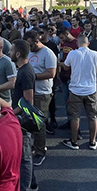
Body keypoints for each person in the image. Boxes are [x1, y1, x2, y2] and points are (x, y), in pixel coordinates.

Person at [61, 35, 97, 150]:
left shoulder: (72, 53)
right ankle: (92, 141)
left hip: (75, 89)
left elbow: (66, 67)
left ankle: (74, 141)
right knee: (93, 116)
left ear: (77, 44)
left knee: (75, 116)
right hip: (91, 89)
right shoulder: (95, 54)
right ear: (88, 43)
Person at [24, 30, 56, 167]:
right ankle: (35, 145)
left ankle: (40, 151)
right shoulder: (29, 51)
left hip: (42, 92)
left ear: (37, 41)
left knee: (39, 122)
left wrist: (32, 76)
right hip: (29, 91)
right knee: (28, 120)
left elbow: (51, 73)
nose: (30, 48)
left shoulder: (48, 53)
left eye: (31, 45)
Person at [10, 39, 36, 191]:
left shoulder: (25, 72)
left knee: (24, 157)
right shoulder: (23, 70)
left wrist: (11, 113)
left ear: (18, 54)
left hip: (23, 120)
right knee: (26, 155)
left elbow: (28, 101)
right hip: (21, 118)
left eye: (11, 50)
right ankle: (32, 183)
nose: (9, 52)